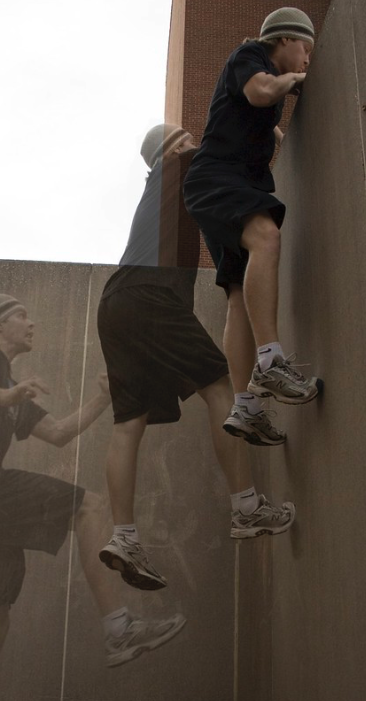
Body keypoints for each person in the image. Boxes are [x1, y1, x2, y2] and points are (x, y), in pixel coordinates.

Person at [0, 294, 186, 700]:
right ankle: (119, 629)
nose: (31, 323)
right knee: (90, 506)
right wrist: (0, 397)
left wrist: (102, 397)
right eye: (21, 315)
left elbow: (60, 433)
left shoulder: (13, 387)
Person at [97, 124, 296, 593]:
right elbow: (241, 142)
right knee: (221, 389)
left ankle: (123, 536)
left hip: (116, 302)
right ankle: (246, 508)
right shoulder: (181, 165)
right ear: (170, 149)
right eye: (183, 136)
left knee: (129, 422)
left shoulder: (165, 188)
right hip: (152, 294)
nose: (192, 140)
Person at [183, 7, 321, 447]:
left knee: (241, 294)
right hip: (217, 179)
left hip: (219, 186)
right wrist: (294, 82)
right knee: (267, 235)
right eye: (305, 48)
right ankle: (270, 360)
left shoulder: (272, 81)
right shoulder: (250, 56)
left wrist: (288, 136)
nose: (307, 60)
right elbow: (261, 92)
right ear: (283, 39)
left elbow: (270, 129)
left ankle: (245, 408)